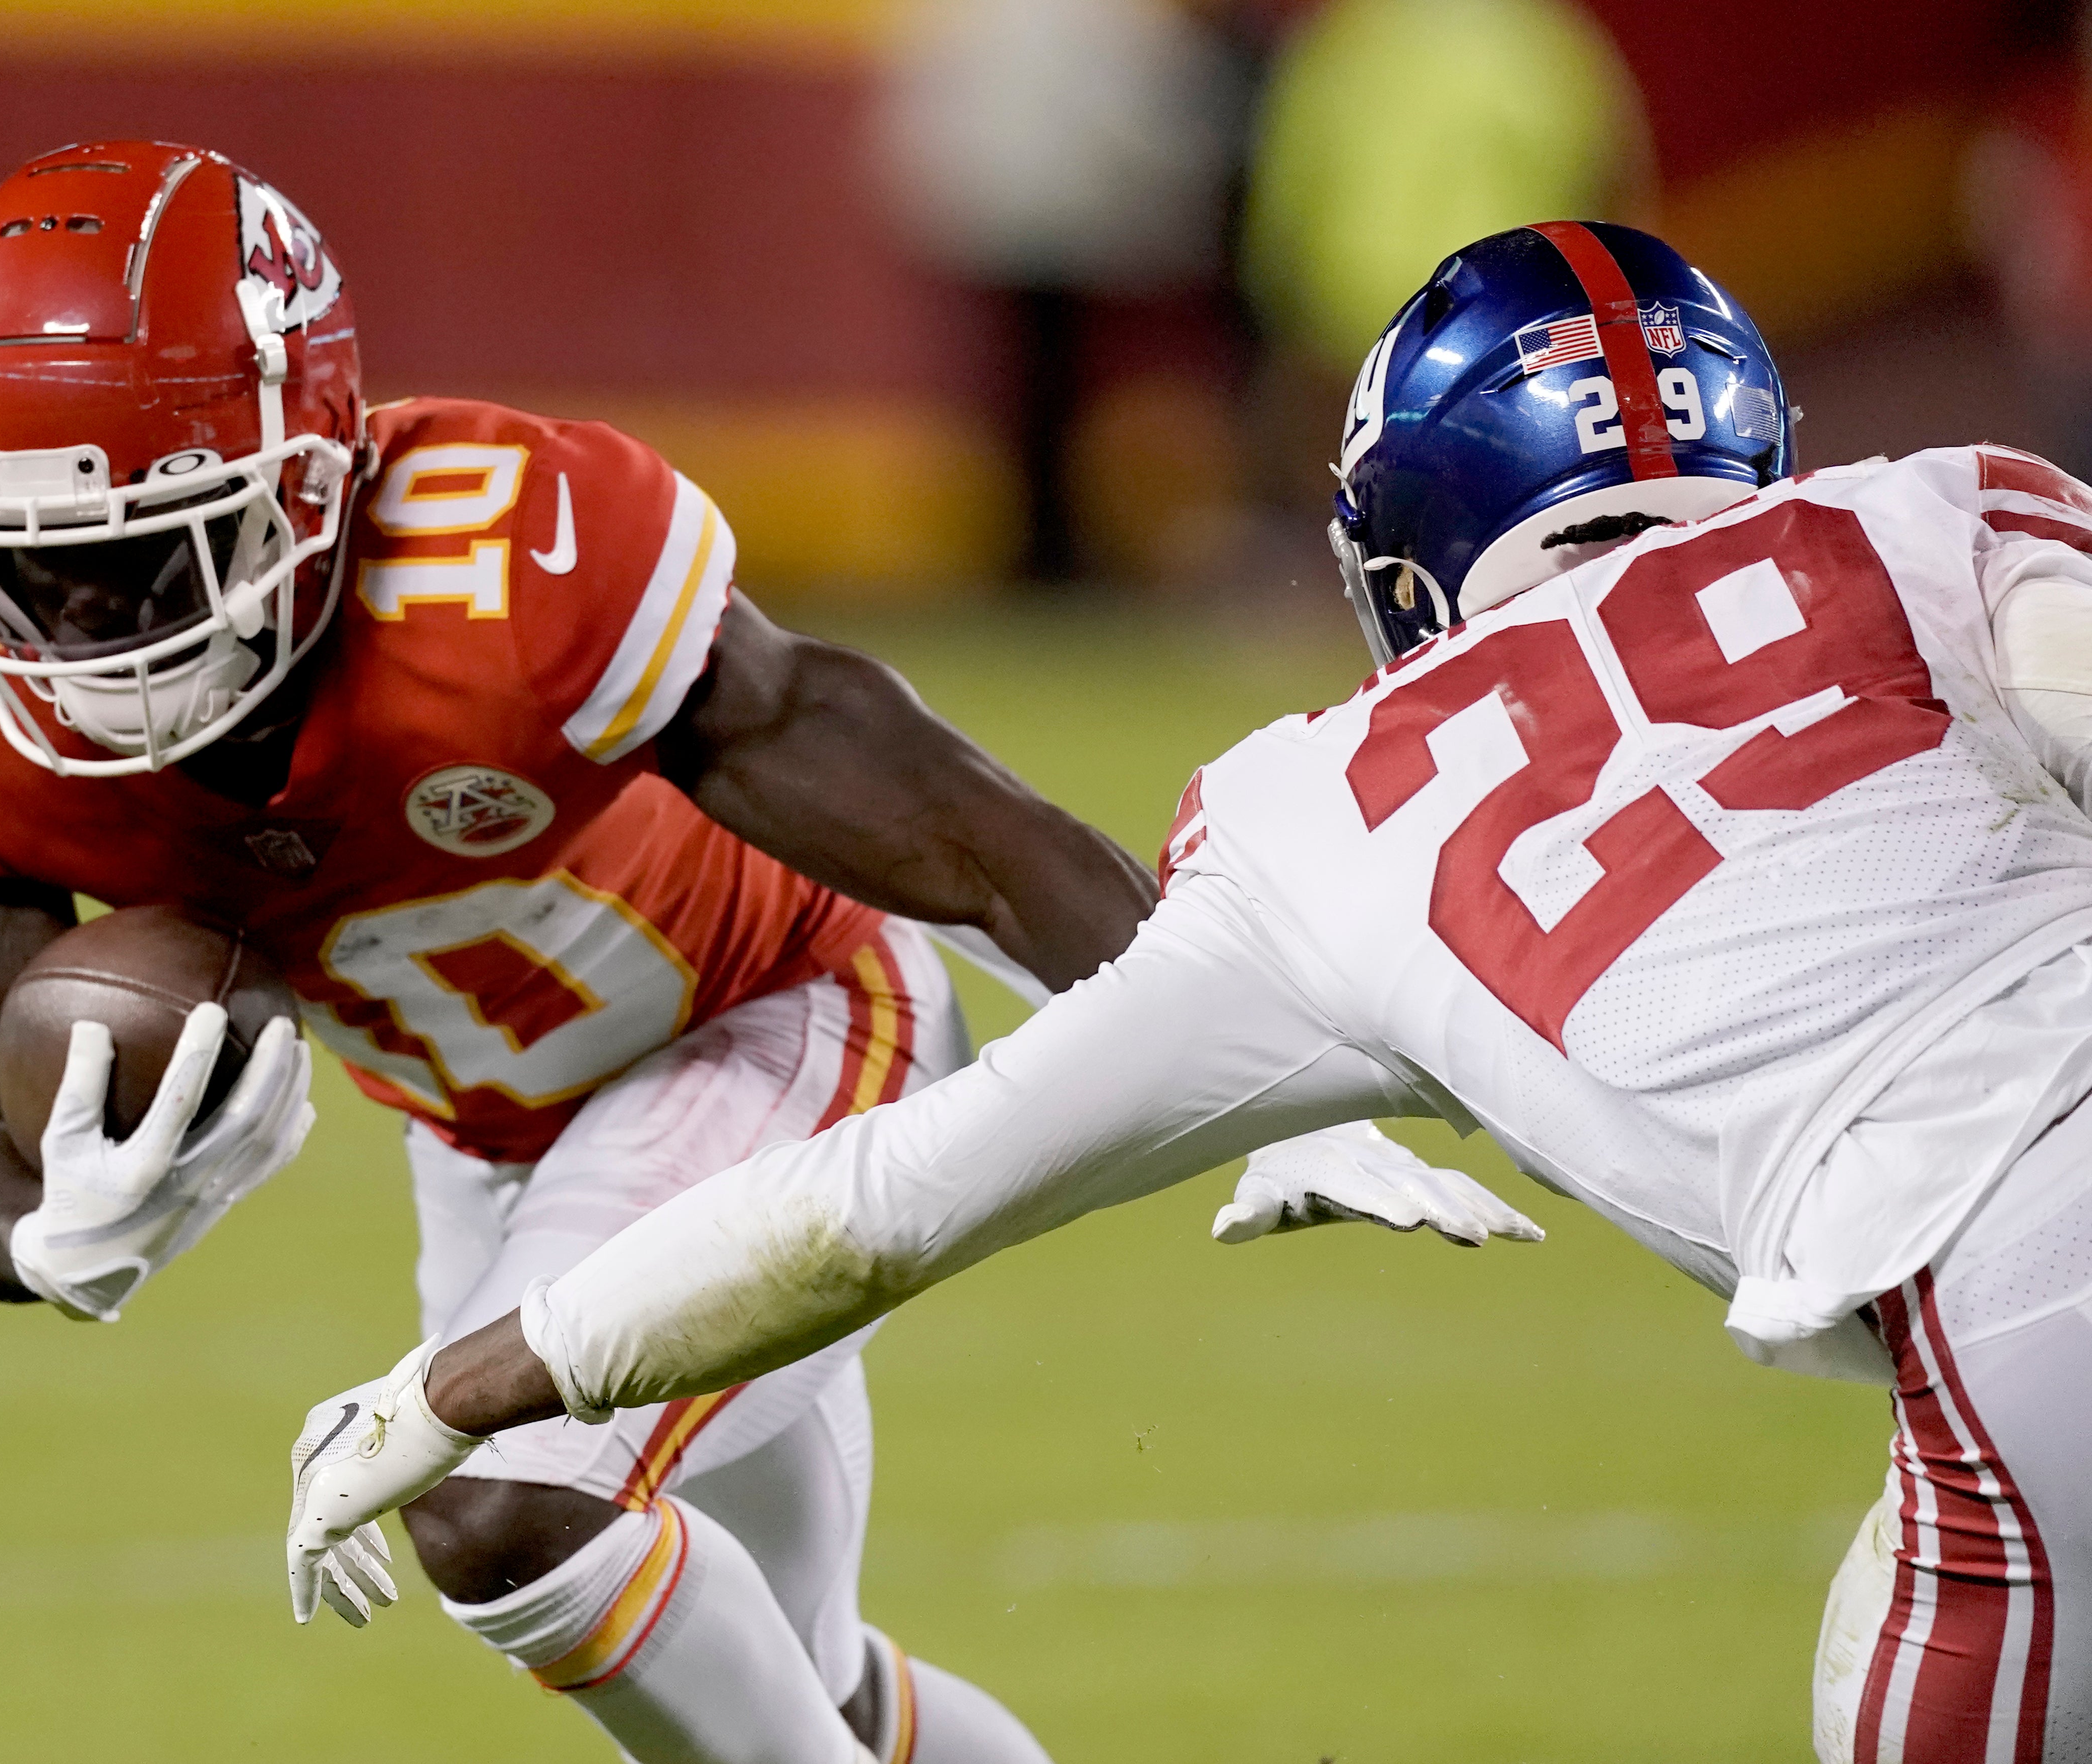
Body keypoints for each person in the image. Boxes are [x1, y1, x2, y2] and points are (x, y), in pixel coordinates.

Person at [287, 222, 2092, 1763]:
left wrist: (465, 1385)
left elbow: (878, 1207)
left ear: (1402, 557)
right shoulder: (1941, 509)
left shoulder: (1322, 812)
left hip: (2015, 1317)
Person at [0, 140, 1521, 1764]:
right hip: (490, 1147)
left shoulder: (501, 562)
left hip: (771, 1016)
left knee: (506, 1502)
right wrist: (45, 1230)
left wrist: (1252, 1048)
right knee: (814, 1687)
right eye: (35, 573)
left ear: (316, 465)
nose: (95, 629)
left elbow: (945, 823)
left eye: (144, 553)